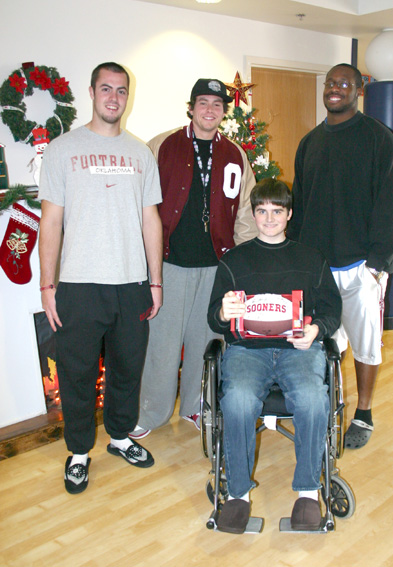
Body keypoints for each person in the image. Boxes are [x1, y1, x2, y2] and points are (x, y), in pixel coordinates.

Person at [38, 62, 163, 494]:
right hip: (78, 285)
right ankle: (77, 452)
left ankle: (120, 436)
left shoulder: (141, 153)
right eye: (106, 89)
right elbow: (50, 222)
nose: (114, 97)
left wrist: (156, 281)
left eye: (121, 91)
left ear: (128, 97)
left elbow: (151, 222)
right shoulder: (62, 150)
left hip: (131, 285)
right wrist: (47, 285)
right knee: (76, 372)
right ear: (91, 92)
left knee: (128, 369)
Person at [207, 178, 342, 534]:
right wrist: (223, 311)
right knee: (236, 401)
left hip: (299, 350)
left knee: (313, 399)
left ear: (289, 214)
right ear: (253, 214)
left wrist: (317, 331)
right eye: (262, 211)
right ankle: (237, 495)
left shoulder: (311, 259)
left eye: (277, 211)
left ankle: (309, 493)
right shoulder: (234, 261)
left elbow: (331, 309)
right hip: (247, 352)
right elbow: (213, 318)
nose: (269, 219)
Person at [287, 63, 393, 449]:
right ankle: (328, 405)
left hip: (361, 267)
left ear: (359, 90)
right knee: (326, 342)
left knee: (366, 342)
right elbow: (301, 207)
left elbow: (392, 205)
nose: (335, 89)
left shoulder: (378, 139)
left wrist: (377, 266)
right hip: (319, 269)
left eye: (344, 84)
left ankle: (364, 413)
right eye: (330, 83)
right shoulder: (310, 143)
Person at [131, 78, 257, 440]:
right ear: (191, 107)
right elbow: (142, 205)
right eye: (203, 103)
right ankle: (151, 413)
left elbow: (245, 213)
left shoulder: (235, 155)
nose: (209, 110)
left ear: (223, 112)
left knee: (206, 343)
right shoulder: (162, 146)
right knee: (162, 346)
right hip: (169, 265)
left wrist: (244, 265)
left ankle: (195, 407)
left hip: (215, 267)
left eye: (217, 105)